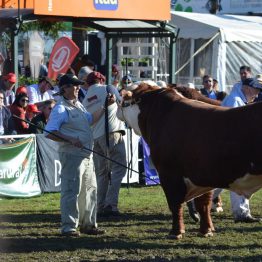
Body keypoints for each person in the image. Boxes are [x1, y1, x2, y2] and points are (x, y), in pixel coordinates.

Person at [45, 74, 108, 237]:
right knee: (71, 190)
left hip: (86, 155)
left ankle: (89, 225)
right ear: (64, 88)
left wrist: (104, 107)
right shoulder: (60, 108)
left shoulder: (79, 105)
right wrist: (70, 139)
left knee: (90, 189)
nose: (78, 87)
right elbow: (50, 132)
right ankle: (68, 227)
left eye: (78, 85)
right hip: (72, 155)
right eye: (74, 85)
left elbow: (90, 120)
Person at [82, 71, 126, 217]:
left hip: (96, 138)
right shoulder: (108, 88)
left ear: (88, 83)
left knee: (102, 174)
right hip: (112, 134)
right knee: (119, 169)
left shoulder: (86, 99)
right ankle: (110, 204)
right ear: (101, 80)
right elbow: (122, 102)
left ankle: (99, 205)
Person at [222, 77, 262, 223]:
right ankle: (241, 214)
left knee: (221, 182)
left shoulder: (238, 99)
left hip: (232, 147)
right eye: (256, 91)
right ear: (247, 88)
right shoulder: (234, 102)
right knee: (234, 181)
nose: (257, 95)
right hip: (230, 148)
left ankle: (196, 203)